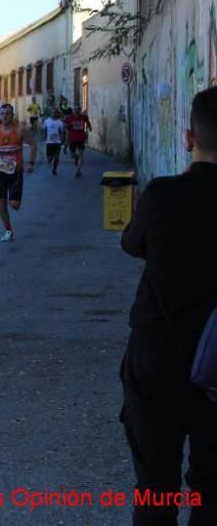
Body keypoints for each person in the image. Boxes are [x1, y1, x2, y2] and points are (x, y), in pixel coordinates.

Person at [120, 86, 217, 526]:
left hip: (160, 358)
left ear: (188, 138)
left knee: (156, 485)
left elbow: (132, 244)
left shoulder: (162, 196)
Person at [0, 104, 37, 241]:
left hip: (16, 172)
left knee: (14, 205)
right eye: (2, 113)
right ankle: (8, 231)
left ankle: (13, 199)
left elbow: (33, 145)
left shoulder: (20, 130)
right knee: (1, 203)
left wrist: (31, 163)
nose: (5, 116)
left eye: (8, 113)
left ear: (12, 115)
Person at [63, 106, 91, 177]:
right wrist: (70, 125)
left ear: (80, 110)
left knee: (81, 155)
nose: (76, 110)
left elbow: (88, 123)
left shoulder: (84, 117)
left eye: (77, 109)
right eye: (74, 109)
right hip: (72, 138)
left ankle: (78, 171)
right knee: (72, 155)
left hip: (81, 138)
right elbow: (65, 127)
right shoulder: (69, 117)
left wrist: (89, 127)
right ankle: (76, 157)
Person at [43, 109, 66, 176]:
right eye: (53, 113)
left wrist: (61, 140)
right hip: (49, 142)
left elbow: (62, 132)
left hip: (57, 142)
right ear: (51, 114)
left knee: (57, 157)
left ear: (57, 114)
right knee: (49, 159)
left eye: (55, 113)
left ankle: (54, 169)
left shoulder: (60, 122)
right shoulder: (47, 121)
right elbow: (44, 129)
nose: (54, 114)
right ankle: (51, 157)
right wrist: (44, 136)